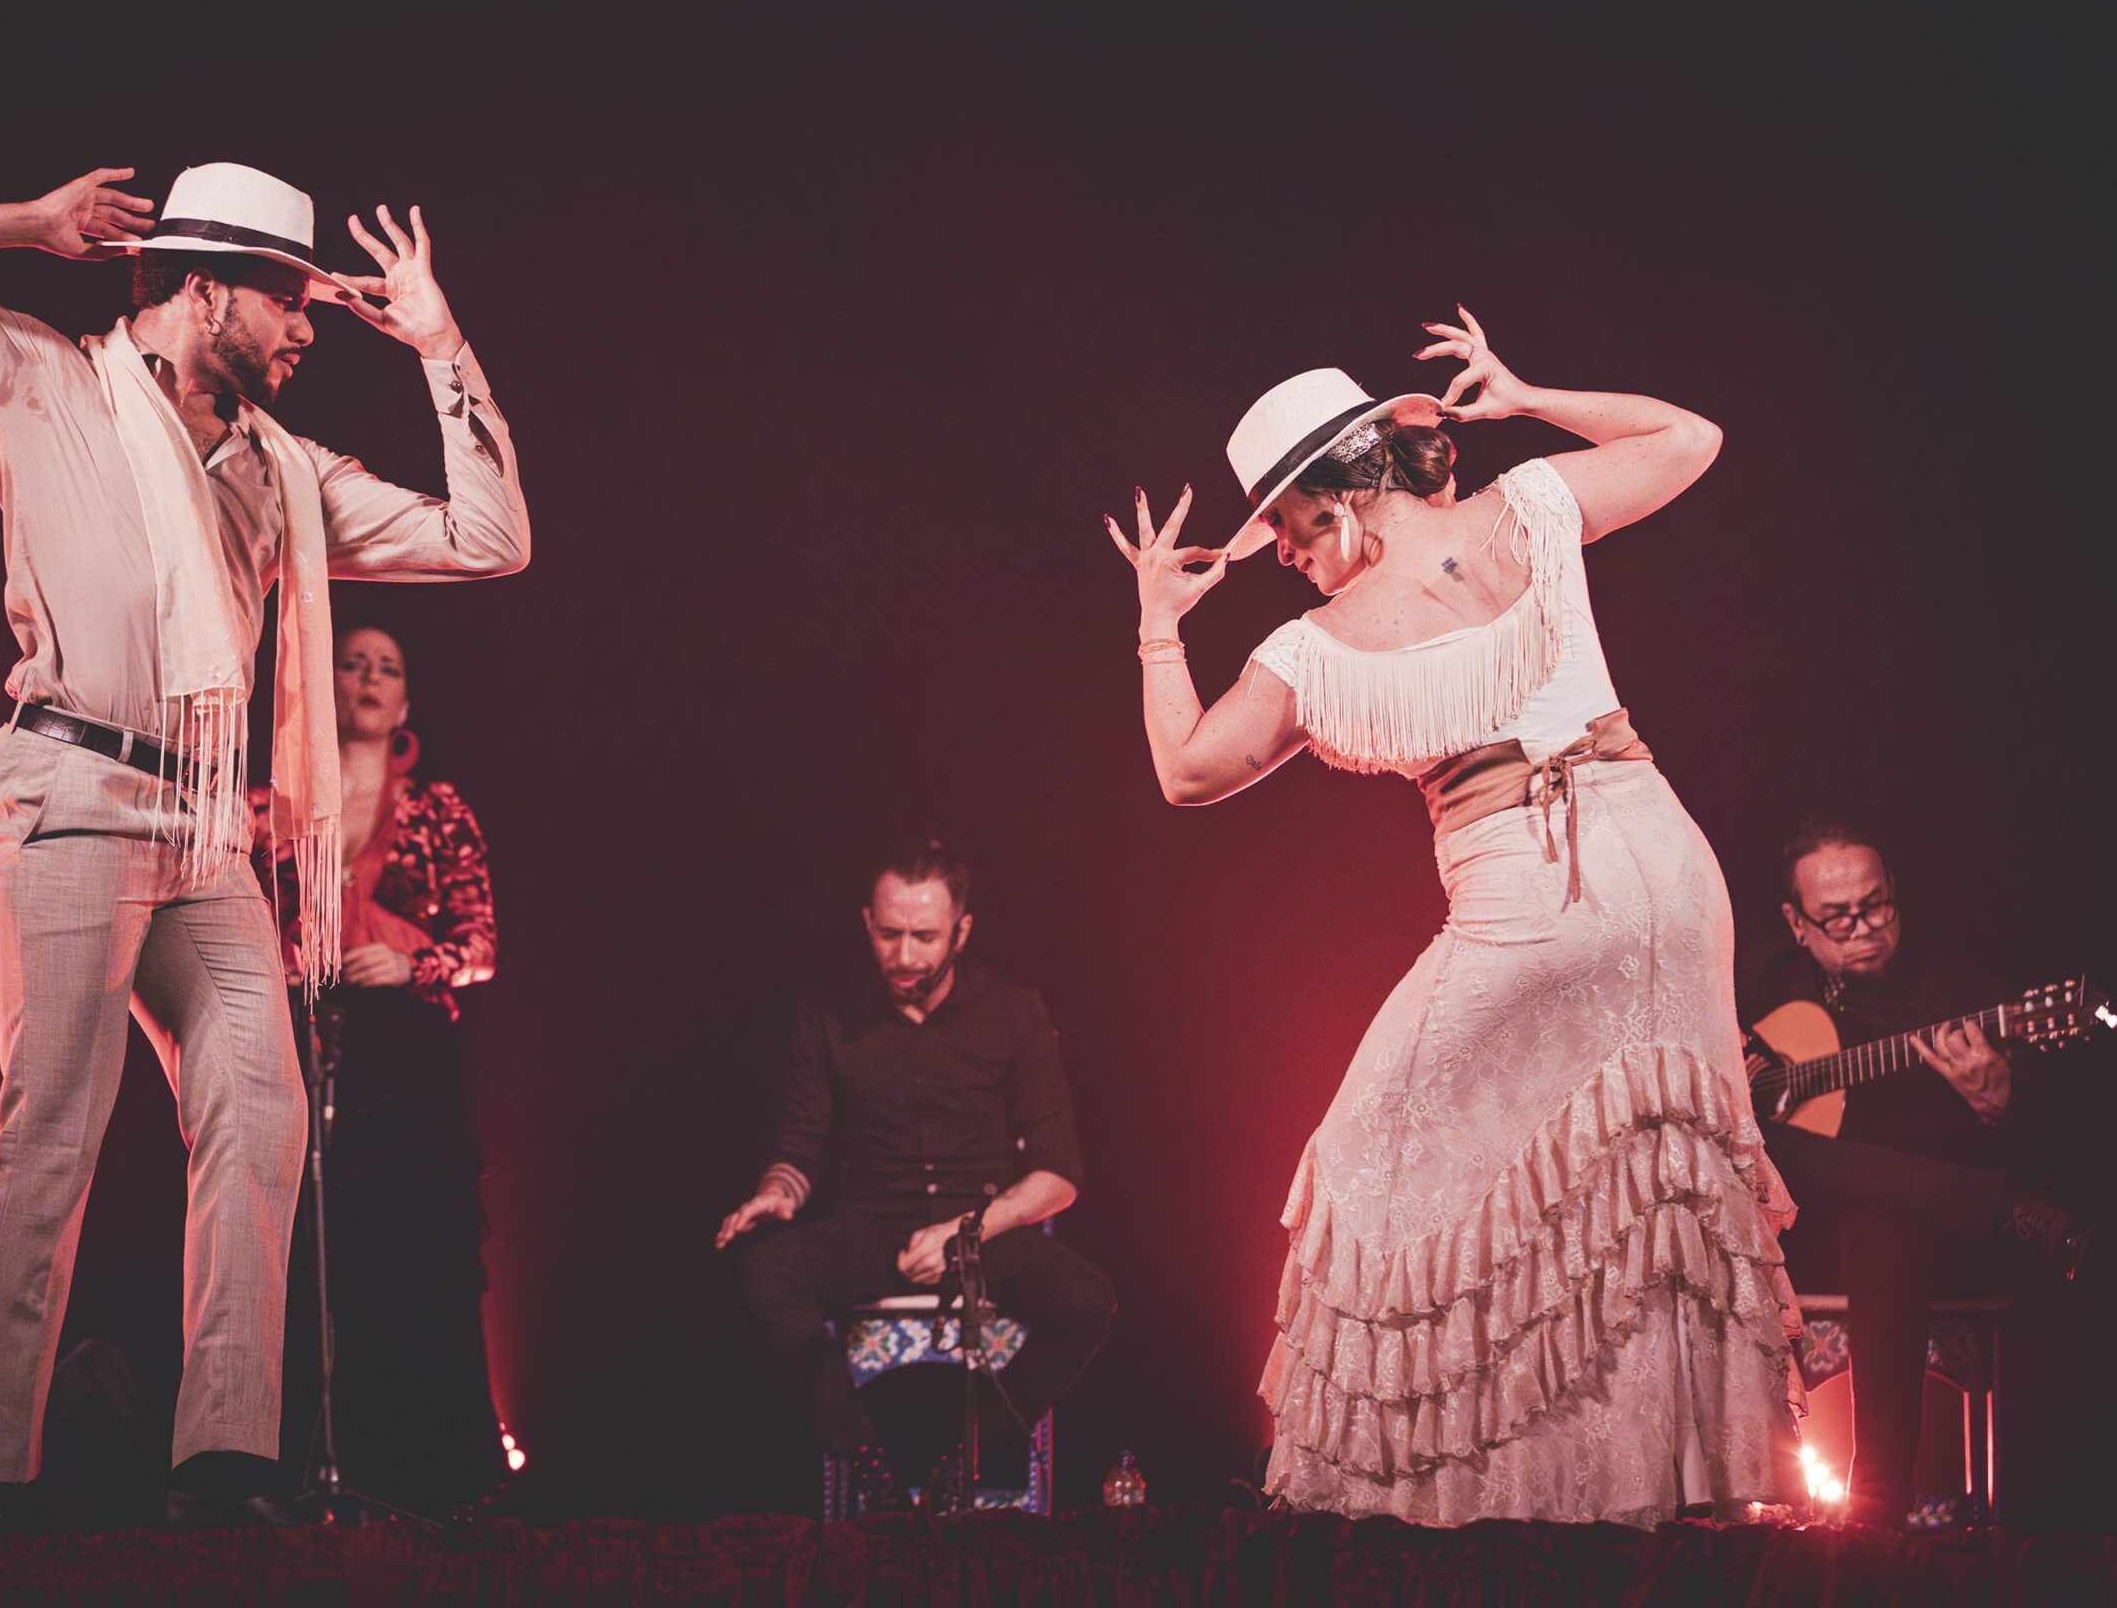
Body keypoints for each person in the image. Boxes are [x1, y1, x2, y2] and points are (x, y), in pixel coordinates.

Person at [0, 161, 529, 1527]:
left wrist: (443, 348)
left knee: (261, 1102)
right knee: (52, 1128)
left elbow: (489, 539)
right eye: (288, 298)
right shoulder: (40, 378)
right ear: (202, 287)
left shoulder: (285, 474)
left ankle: (224, 1462)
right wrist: (23, 229)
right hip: (66, 786)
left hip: (202, 824)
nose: (311, 328)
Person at [1107, 311, 1796, 1525]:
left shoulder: (1312, 649)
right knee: (1645, 1182)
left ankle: (1438, 1509)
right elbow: (1689, 436)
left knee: (1371, 1168)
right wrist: (1524, 395)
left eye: (1281, 528)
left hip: (1528, 897)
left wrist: (1160, 626)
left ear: (1330, 504)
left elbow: (1186, 773)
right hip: (1667, 867)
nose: (1281, 556)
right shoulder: (1525, 506)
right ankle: (1645, 1505)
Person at [717, 841, 1116, 1506]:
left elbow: (1060, 1172)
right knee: (766, 1270)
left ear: (962, 930)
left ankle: (971, 1456)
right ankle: (864, 1457)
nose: (905, 955)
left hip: (982, 1226)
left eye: (925, 936)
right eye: (890, 933)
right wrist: (775, 1192)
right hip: (876, 1225)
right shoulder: (829, 1012)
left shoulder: (1014, 1011)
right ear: (867, 923)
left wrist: (966, 1233)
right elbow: (801, 1139)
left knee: (1089, 1300)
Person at [1745, 819, 2104, 1528]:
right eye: (1837, 917)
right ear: (1796, 922)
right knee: (1782, 1146)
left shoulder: (1964, 1001)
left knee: (1884, 1221)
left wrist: (2001, 1101)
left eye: (1876, 904)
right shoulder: (1757, 987)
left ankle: (1876, 1510)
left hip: (1923, 1247)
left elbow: (2053, 1149)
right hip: (1786, 1236)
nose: (1864, 928)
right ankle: (2007, 1207)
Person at [265, 625, 506, 1513]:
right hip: (308, 1040)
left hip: (407, 1050)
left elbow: (482, 942)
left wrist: (415, 963)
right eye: (352, 661)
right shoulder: (271, 804)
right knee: (320, 1252)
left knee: (421, 1252)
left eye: (388, 668)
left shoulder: (440, 807)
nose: (367, 677)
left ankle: (437, 1478)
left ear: (404, 703)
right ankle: (321, 1467)